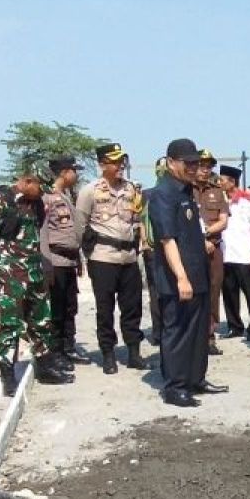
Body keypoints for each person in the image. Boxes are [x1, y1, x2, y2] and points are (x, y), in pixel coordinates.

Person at [0, 161, 74, 396]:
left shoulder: (37, 203)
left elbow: (38, 232)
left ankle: (45, 366)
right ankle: (8, 376)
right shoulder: (1, 200)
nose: (42, 192)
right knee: (9, 325)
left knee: (41, 320)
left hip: (33, 270)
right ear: (27, 181)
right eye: (39, 186)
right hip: (9, 273)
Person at [147, 139, 229, 407]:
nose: (194, 168)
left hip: (198, 274)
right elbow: (167, 240)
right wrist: (181, 276)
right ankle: (176, 386)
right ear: (171, 162)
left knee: (196, 331)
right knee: (178, 331)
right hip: (177, 279)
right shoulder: (163, 194)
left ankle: (195, 379)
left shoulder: (186, 192)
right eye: (188, 163)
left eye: (196, 163)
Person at [76, 142, 148, 375]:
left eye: (121, 161)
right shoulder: (90, 191)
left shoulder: (131, 189)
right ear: (102, 165)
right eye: (114, 162)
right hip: (103, 257)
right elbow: (80, 226)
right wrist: (88, 255)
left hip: (128, 257)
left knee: (132, 307)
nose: (120, 166)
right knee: (105, 309)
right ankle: (108, 354)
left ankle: (134, 352)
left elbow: (137, 220)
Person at [39, 155, 89, 369]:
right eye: (73, 170)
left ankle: (68, 347)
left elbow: (72, 232)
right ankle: (56, 351)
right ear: (64, 172)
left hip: (68, 260)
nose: (76, 174)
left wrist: (77, 258)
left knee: (70, 307)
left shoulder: (67, 196)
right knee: (57, 309)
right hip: (55, 261)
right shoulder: (47, 198)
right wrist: (46, 263)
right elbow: (42, 233)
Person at [219, 164, 250, 341]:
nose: (219, 182)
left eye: (222, 180)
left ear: (232, 181)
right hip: (226, 254)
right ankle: (234, 326)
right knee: (229, 293)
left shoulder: (248, 201)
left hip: (245, 255)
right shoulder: (221, 201)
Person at [195, 149, 229, 355]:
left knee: (213, 290)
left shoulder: (217, 191)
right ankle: (194, 335)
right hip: (191, 250)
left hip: (214, 248)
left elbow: (223, 220)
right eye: (201, 165)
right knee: (192, 292)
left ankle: (209, 335)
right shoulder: (184, 189)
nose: (205, 170)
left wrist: (207, 234)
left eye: (208, 166)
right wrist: (200, 239)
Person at [141, 156, 169, 346]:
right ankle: (159, 331)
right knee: (156, 292)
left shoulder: (174, 192)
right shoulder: (148, 194)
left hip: (168, 247)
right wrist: (145, 242)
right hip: (153, 248)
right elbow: (141, 221)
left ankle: (165, 331)